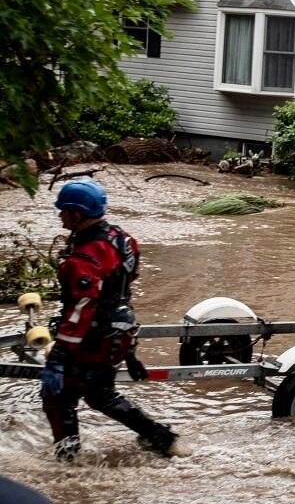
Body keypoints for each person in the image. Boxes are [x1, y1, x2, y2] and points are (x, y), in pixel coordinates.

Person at [42, 179, 188, 460]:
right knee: (100, 394)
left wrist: (59, 356)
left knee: (58, 398)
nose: (60, 216)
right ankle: (162, 438)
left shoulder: (83, 259)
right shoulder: (123, 240)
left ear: (77, 214)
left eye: (64, 211)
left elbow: (81, 307)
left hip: (91, 338)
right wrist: (130, 351)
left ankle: (66, 463)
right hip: (118, 332)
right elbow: (124, 287)